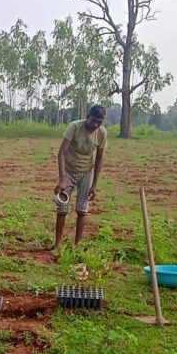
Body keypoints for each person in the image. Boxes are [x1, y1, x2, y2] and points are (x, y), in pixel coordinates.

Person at [53, 105, 107, 250]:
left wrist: (94, 185)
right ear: (87, 116)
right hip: (69, 169)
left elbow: (99, 159)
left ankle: (77, 245)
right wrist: (62, 179)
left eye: (99, 122)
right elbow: (61, 153)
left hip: (87, 171)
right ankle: (58, 243)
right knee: (62, 207)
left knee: (82, 210)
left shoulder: (102, 133)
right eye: (94, 121)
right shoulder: (74, 127)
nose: (95, 125)